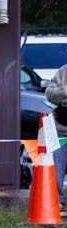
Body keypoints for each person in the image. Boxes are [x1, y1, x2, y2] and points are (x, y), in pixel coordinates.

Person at [45, 63, 67, 212]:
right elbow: (49, 93)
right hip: (59, 130)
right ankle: (57, 203)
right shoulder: (63, 71)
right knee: (56, 170)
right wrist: (65, 91)